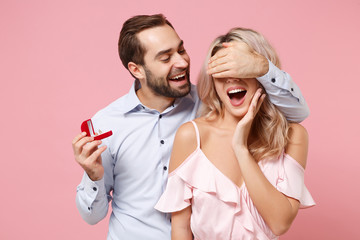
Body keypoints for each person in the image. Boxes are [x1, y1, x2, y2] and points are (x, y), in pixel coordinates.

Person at [72, 14, 310, 240]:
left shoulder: (209, 102)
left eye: (182, 50)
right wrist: (93, 177)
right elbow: (92, 216)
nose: (182, 62)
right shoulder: (108, 124)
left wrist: (264, 68)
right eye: (166, 58)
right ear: (137, 70)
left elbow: (296, 114)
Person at [155, 27, 315, 240]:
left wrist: (241, 149)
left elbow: (280, 223)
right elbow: (181, 229)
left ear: (261, 75)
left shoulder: (292, 136)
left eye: (241, 68)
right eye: (221, 70)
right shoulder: (192, 136)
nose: (231, 78)